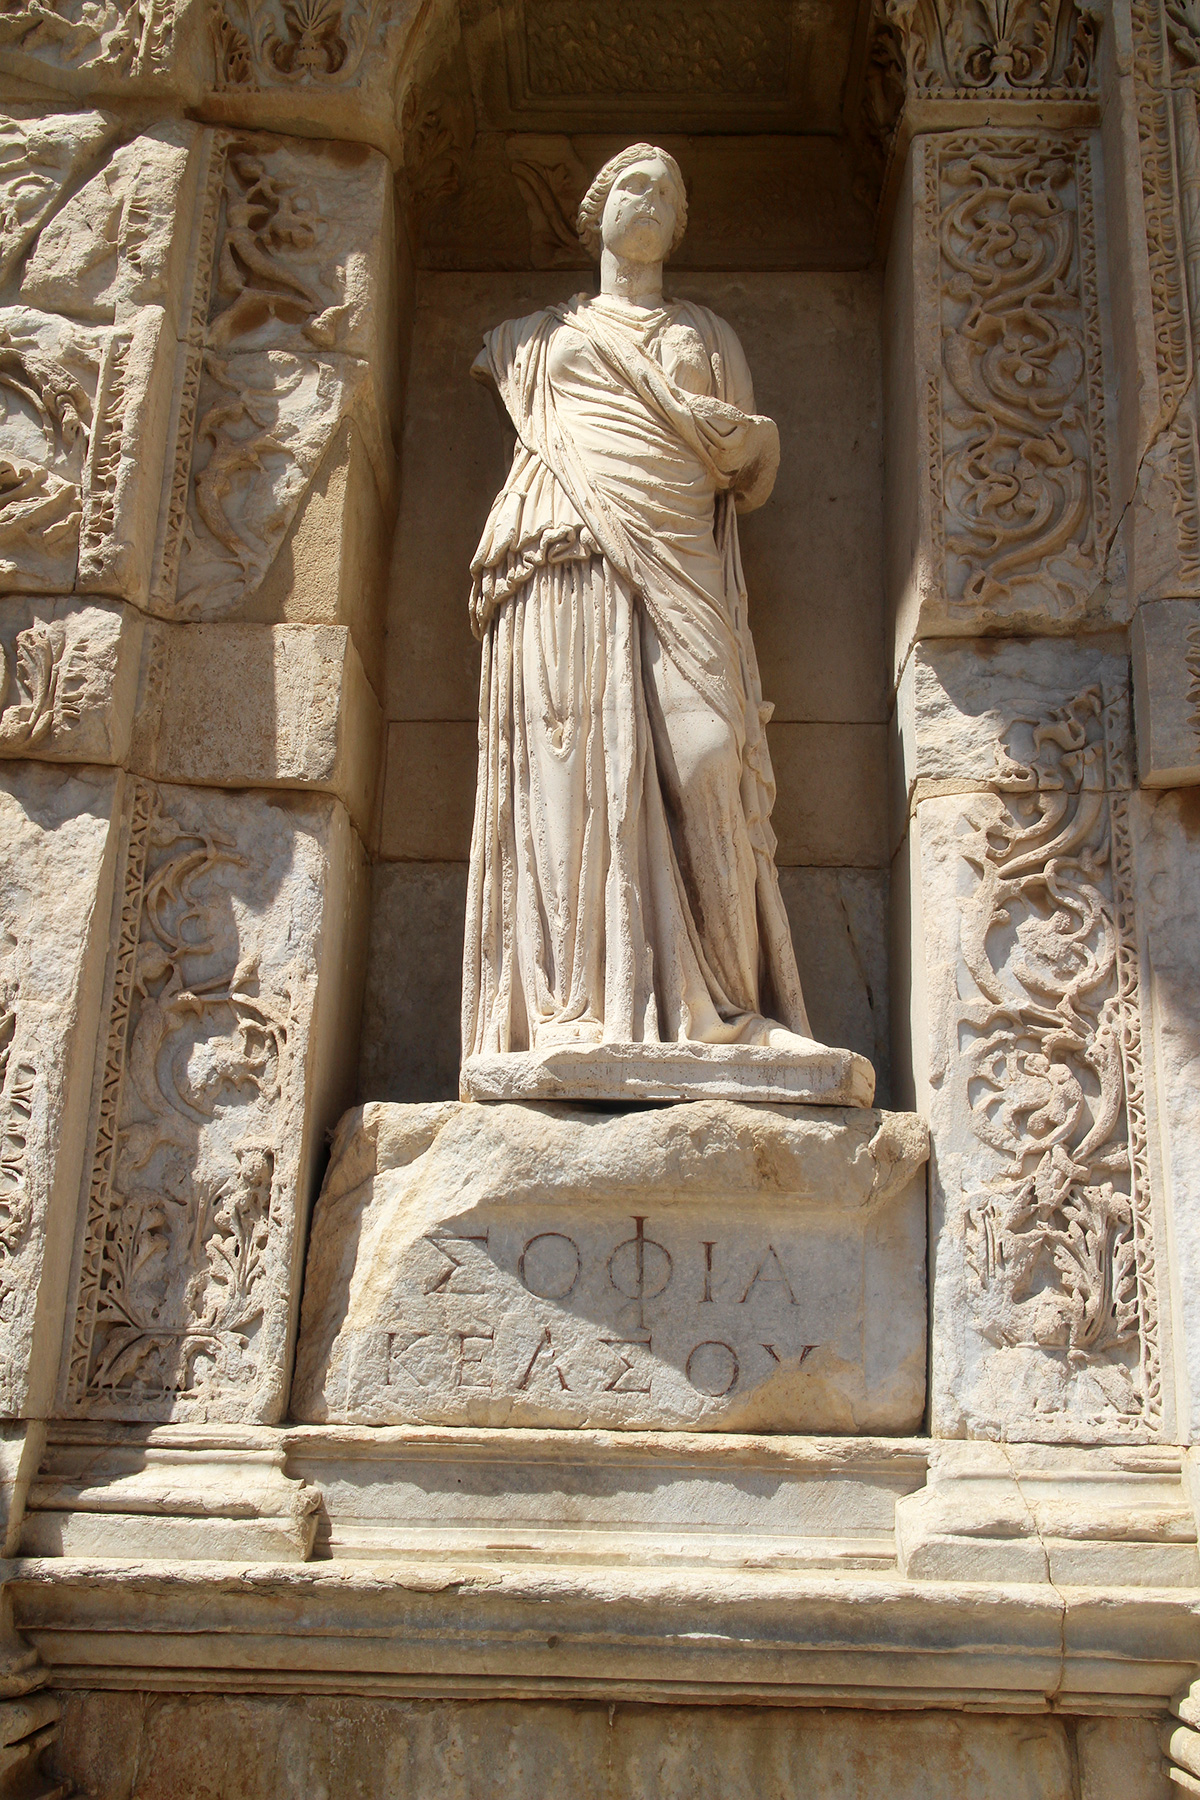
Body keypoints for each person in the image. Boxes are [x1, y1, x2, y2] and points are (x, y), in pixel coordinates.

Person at [461, 142, 823, 1067]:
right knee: (572, 774)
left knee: (708, 758)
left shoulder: (709, 335)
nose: (651, 198)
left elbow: (743, 475)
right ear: (596, 210)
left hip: (681, 556)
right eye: (634, 183)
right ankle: (571, 1011)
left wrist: (739, 441)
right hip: (564, 554)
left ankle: (730, 1014)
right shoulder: (534, 339)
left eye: (670, 191)